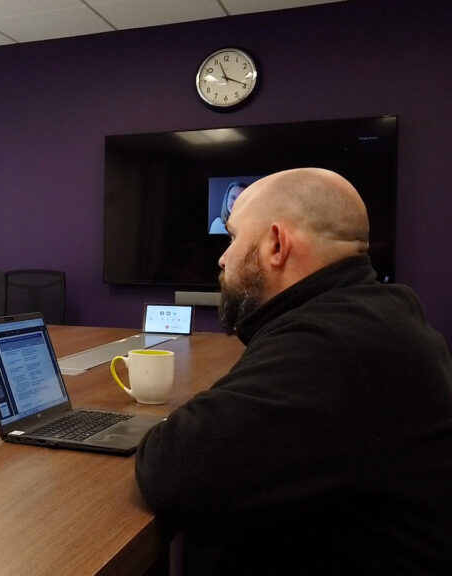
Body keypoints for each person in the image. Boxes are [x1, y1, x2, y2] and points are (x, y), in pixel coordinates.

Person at [135, 168, 452, 574]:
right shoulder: (375, 312)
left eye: (233, 239)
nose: (223, 257)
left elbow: (172, 471)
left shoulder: (335, 344)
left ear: (277, 244)